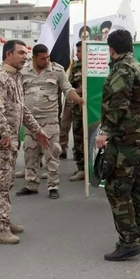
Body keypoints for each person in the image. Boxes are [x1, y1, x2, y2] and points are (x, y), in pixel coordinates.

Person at [0, 39, 49, 245]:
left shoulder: (15, 76)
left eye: (26, 53)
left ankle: (4, 220)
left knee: (6, 183)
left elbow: (22, 109)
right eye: (21, 53)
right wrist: (6, 135)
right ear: (8, 54)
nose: (25, 57)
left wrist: (38, 130)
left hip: (8, 141)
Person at [95, 29, 140, 261]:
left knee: (118, 189)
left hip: (126, 139)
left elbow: (118, 103)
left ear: (111, 49)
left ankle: (129, 242)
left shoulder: (122, 69)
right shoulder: (139, 67)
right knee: (137, 189)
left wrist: (105, 131)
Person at [15, 44, 83, 199]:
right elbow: (16, 92)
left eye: (48, 57)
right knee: (30, 153)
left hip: (50, 119)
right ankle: (31, 185)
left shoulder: (57, 70)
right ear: (34, 58)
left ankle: (53, 186)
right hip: (30, 120)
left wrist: (78, 99)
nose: (46, 60)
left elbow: (67, 88)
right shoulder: (23, 71)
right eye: (42, 58)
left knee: (52, 153)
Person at [68, 41, 85, 182]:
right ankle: (81, 168)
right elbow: (68, 87)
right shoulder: (75, 67)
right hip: (78, 110)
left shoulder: (98, 65)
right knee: (79, 138)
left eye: (80, 51)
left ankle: (92, 167)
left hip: (94, 110)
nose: (78, 54)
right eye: (77, 51)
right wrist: (77, 91)